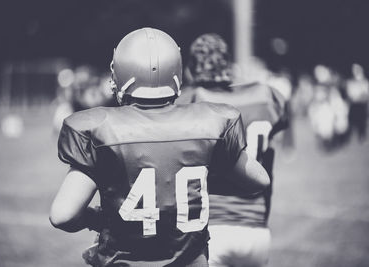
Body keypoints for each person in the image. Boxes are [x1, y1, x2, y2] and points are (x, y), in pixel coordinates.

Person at [49, 28, 270, 267]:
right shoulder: (207, 122)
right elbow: (259, 181)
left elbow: (63, 215)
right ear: (176, 72)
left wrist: (97, 218)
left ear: (120, 73)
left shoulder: (103, 128)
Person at [177, 33, 287, 267]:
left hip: (213, 227)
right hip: (256, 228)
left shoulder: (192, 101)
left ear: (193, 66)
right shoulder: (266, 96)